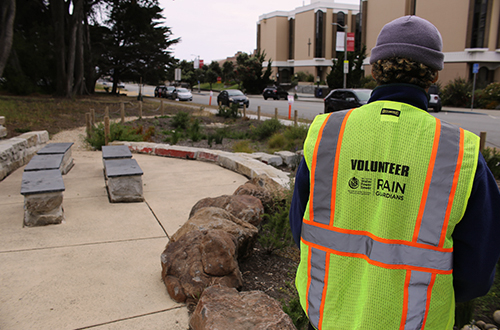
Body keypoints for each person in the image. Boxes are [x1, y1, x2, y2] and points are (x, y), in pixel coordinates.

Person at [289, 15, 500, 330]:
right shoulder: (460, 153)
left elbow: (299, 229)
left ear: (375, 70)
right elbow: (477, 274)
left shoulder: (328, 135)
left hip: (328, 316)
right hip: (415, 322)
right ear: (432, 75)